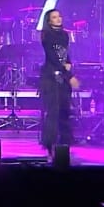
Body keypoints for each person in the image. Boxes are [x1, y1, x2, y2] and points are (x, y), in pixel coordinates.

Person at [40, 9, 80, 154]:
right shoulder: (47, 35)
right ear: (49, 21)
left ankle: (65, 142)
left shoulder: (64, 35)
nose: (58, 19)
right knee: (54, 110)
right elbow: (53, 57)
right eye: (54, 17)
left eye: (59, 16)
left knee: (65, 109)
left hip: (63, 74)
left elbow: (65, 53)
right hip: (51, 76)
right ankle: (49, 143)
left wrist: (69, 64)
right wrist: (68, 74)